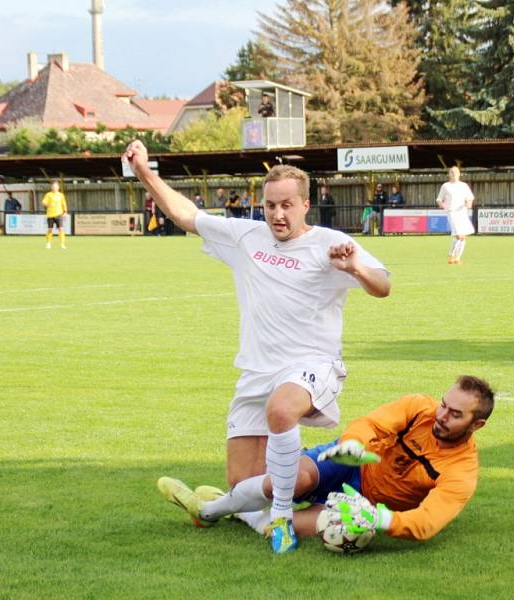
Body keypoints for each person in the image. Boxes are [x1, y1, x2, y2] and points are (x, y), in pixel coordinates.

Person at [124, 139, 390, 554]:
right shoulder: (245, 236)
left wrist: (354, 265)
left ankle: (282, 518)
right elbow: (186, 214)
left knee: (283, 411)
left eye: (286, 205)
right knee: (245, 486)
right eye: (270, 205)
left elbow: (383, 286)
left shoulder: (331, 243)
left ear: (305, 204)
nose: (277, 214)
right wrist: (143, 170)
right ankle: (213, 508)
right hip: (256, 372)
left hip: (312, 365)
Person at [158, 375, 494, 546]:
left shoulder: (461, 471)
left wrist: (377, 519)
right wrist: (352, 444)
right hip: (348, 463)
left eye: (455, 414)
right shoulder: (419, 407)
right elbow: (371, 424)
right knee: (288, 483)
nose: (442, 415)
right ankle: (207, 512)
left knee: (289, 525)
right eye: (444, 404)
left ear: (476, 425)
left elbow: (427, 522)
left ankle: (239, 511)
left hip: (362, 502)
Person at [436, 166, 475, 264]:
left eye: (456, 172)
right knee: (458, 235)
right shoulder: (446, 186)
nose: (454, 174)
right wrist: (442, 205)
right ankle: (451, 255)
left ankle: (457, 258)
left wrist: (469, 203)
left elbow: (470, 197)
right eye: (452, 172)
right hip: (452, 212)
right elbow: (439, 199)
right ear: (449, 174)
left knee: (463, 236)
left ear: (459, 174)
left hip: (462, 212)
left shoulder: (464, 185)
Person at [42, 180, 67, 249]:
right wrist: (45, 203)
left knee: (61, 229)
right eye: (53, 186)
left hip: (59, 214)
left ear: (58, 187)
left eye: (55, 186)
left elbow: (64, 204)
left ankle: (62, 244)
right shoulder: (48, 194)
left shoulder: (61, 195)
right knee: (50, 229)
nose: (54, 187)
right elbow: (44, 201)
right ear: (51, 187)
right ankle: (48, 243)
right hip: (50, 215)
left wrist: (65, 212)